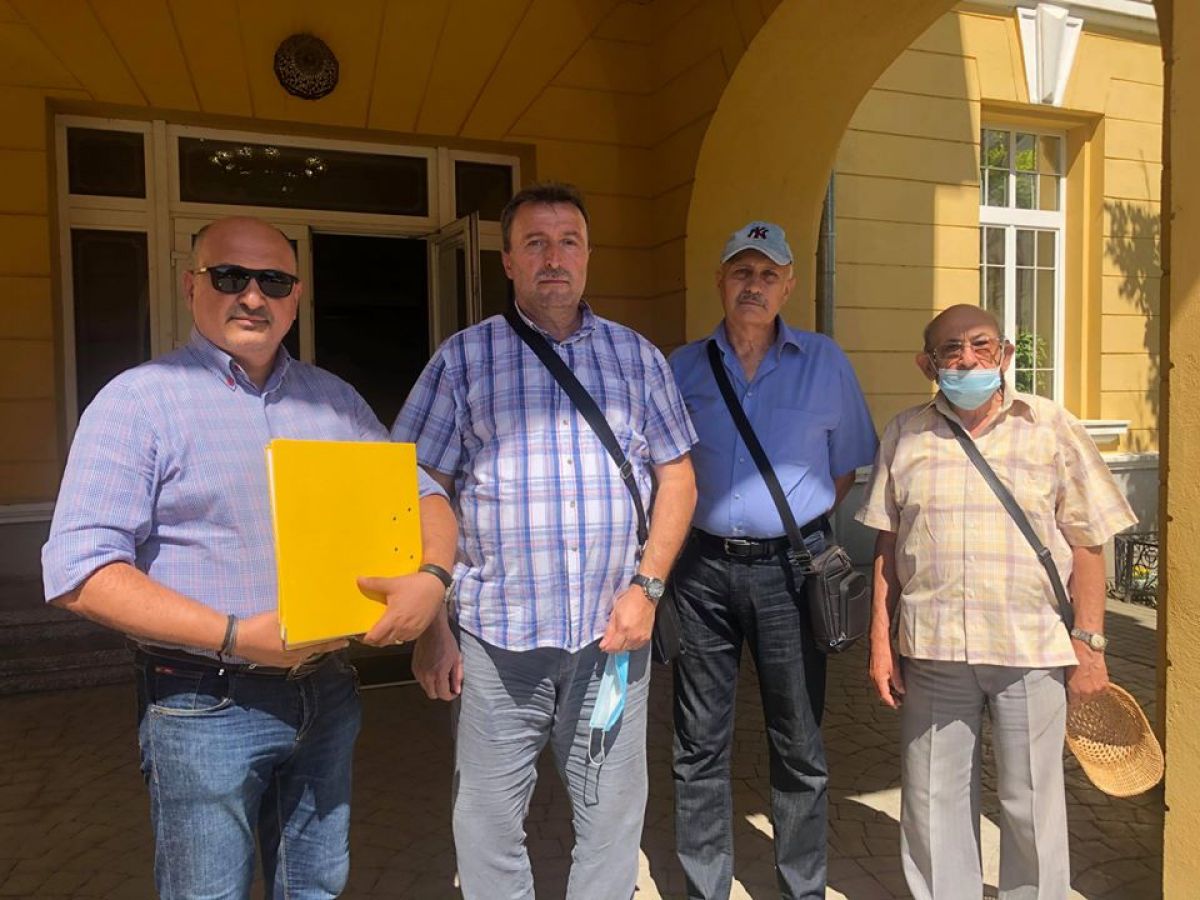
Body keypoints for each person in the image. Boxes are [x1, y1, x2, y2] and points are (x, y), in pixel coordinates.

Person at [41, 216, 456, 900]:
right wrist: (235, 635)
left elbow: (424, 498)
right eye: (230, 276)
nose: (253, 296)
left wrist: (433, 583)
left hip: (327, 690)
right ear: (191, 285)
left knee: (315, 887)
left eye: (274, 281)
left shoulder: (335, 402)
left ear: (296, 297)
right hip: (203, 701)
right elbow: (81, 572)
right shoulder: (138, 401)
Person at [395, 182, 698, 900]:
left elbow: (679, 480)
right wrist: (432, 625)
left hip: (611, 642)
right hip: (497, 645)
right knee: (488, 822)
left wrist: (648, 589)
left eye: (568, 242)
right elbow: (414, 490)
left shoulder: (638, 358)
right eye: (535, 243)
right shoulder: (462, 360)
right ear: (508, 261)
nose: (553, 258)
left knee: (612, 818)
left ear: (588, 256)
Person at [856, 303, 1138, 900]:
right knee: (932, 800)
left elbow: (1089, 543)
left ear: (1005, 353)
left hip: (1031, 649)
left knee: (1032, 801)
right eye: (951, 349)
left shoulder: (1051, 426)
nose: (968, 359)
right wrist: (880, 640)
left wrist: (1090, 645)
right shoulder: (904, 432)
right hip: (933, 649)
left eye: (981, 344)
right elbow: (886, 543)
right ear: (927, 364)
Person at [667, 220, 878, 899]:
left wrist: (791, 524)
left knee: (798, 742)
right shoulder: (681, 368)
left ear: (788, 285)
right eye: (741, 272)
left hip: (792, 573)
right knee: (698, 744)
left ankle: (801, 889)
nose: (753, 285)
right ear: (720, 282)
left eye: (767, 274)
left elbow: (844, 469)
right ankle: (704, 888)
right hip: (700, 574)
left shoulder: (825, 362)